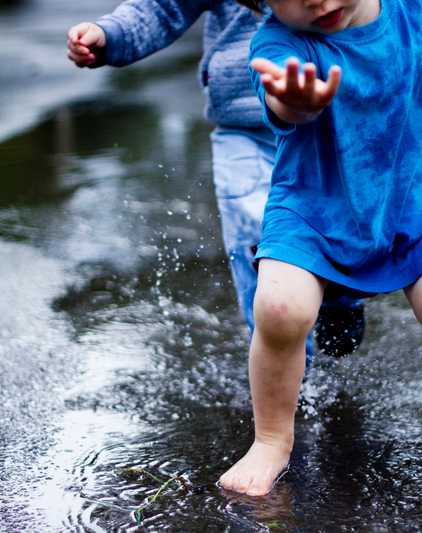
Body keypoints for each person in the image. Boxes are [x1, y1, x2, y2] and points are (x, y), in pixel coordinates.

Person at [217, 0, 422, 496]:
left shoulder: (417, 6)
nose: (317, 2)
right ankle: (271, 438)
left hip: (416, 202)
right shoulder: (281, 44)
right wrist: (298, 100)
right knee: (279, 310)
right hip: (314, 208)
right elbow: (286, 103)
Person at [66, 0, 365, 360]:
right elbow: (164, 8)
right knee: (258, 243)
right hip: (247, 129)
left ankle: (341, 297)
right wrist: (111, 35)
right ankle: (284, 365)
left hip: (335, 128)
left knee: (347, 235)